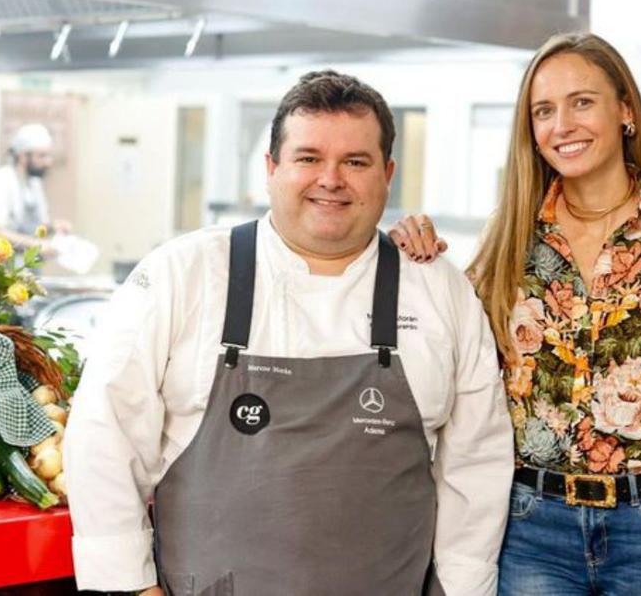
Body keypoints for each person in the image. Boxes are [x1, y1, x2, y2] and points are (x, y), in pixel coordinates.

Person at [64, 70, 514, 595]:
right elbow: (105, 432)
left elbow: (476, 462)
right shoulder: (183, 274)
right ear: (271, 168)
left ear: (387, 174)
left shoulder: (438, 290)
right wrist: (131, 588)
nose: (331, 179)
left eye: (356, 162)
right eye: (308, 158)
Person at [390, 32, 641, 595]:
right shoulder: (512, 235)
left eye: (581, 102)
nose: (562, 125)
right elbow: (458, 356)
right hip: (530, 532)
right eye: (543, 111)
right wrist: (415, 259)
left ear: (625, 110)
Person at [0, 123, 70, 249]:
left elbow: (35, 228)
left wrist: (53, 227)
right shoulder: (1, 180)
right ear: (23, 156)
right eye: (42, 156)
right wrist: (36, 245)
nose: (48, 162)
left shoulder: (34, 183)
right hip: (6, 261)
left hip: (29, 260)